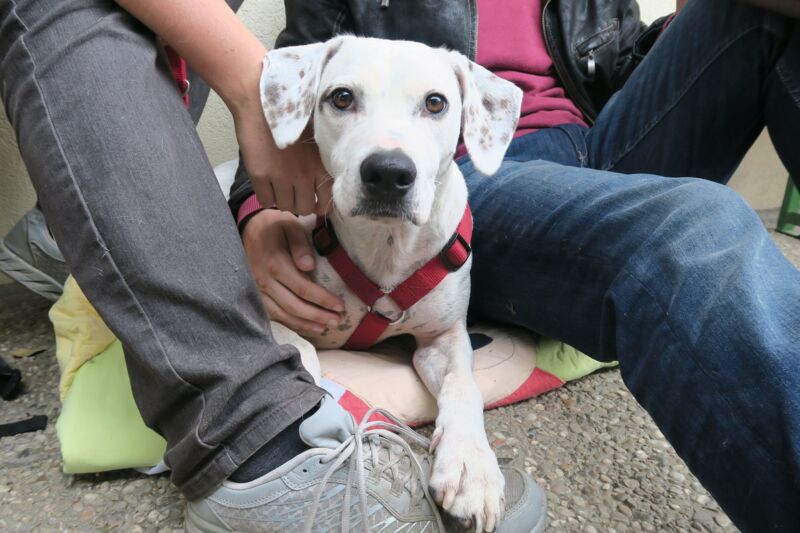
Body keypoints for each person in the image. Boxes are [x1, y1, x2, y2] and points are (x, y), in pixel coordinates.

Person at [1, 0, 798, 531]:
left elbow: (617, 61)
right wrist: (256, 206)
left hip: (603, 133)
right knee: (697, 225)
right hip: (493, 170)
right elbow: (290, 92)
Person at [0, 0, 544, 532]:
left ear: (470, 117)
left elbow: (443, 339)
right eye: (345, 100)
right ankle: (267, 439)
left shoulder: (449, 244)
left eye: (432, 106)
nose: (388, 158)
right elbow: (271, 320)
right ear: (303, 101)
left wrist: (464, 419)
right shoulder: (297, 219)